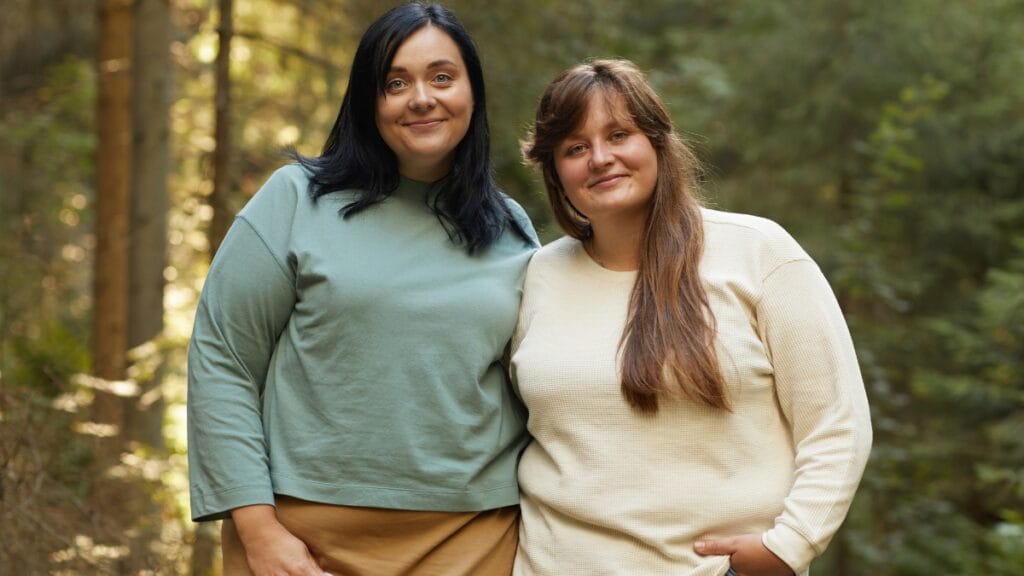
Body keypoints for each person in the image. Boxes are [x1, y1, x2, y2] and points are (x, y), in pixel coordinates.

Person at [187, 3, 538, 575]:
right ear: (367, 102)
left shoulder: (510, 227)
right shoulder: (296, 200)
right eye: (394, 83)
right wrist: (257, 528)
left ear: (473, 93)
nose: (421, 97)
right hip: (302, 543)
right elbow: (221, 359)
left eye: (441, 77)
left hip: (474, 542)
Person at [510, 59, 872, 576]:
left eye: (619, 134)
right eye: (574, 147)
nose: (600, 158)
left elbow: (837, 423)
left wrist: (790, 546)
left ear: (657, 141)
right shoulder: (536, 275)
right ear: (555, 171)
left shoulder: (759, 254)